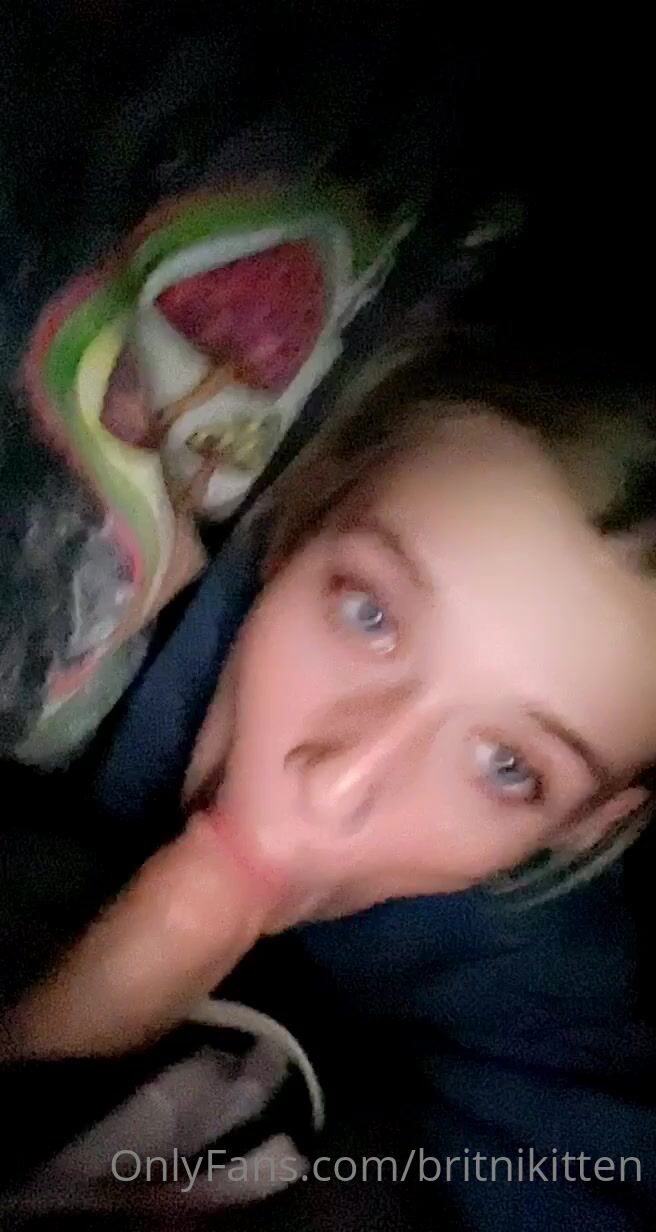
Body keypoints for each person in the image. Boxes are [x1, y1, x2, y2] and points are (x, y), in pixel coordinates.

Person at [3, 333, 655, 1228]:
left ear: (586, 822)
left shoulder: (532, 963)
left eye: (508, 768)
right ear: (299, 527)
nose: (337, 785)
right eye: (369, 613)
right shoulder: (66, 608)